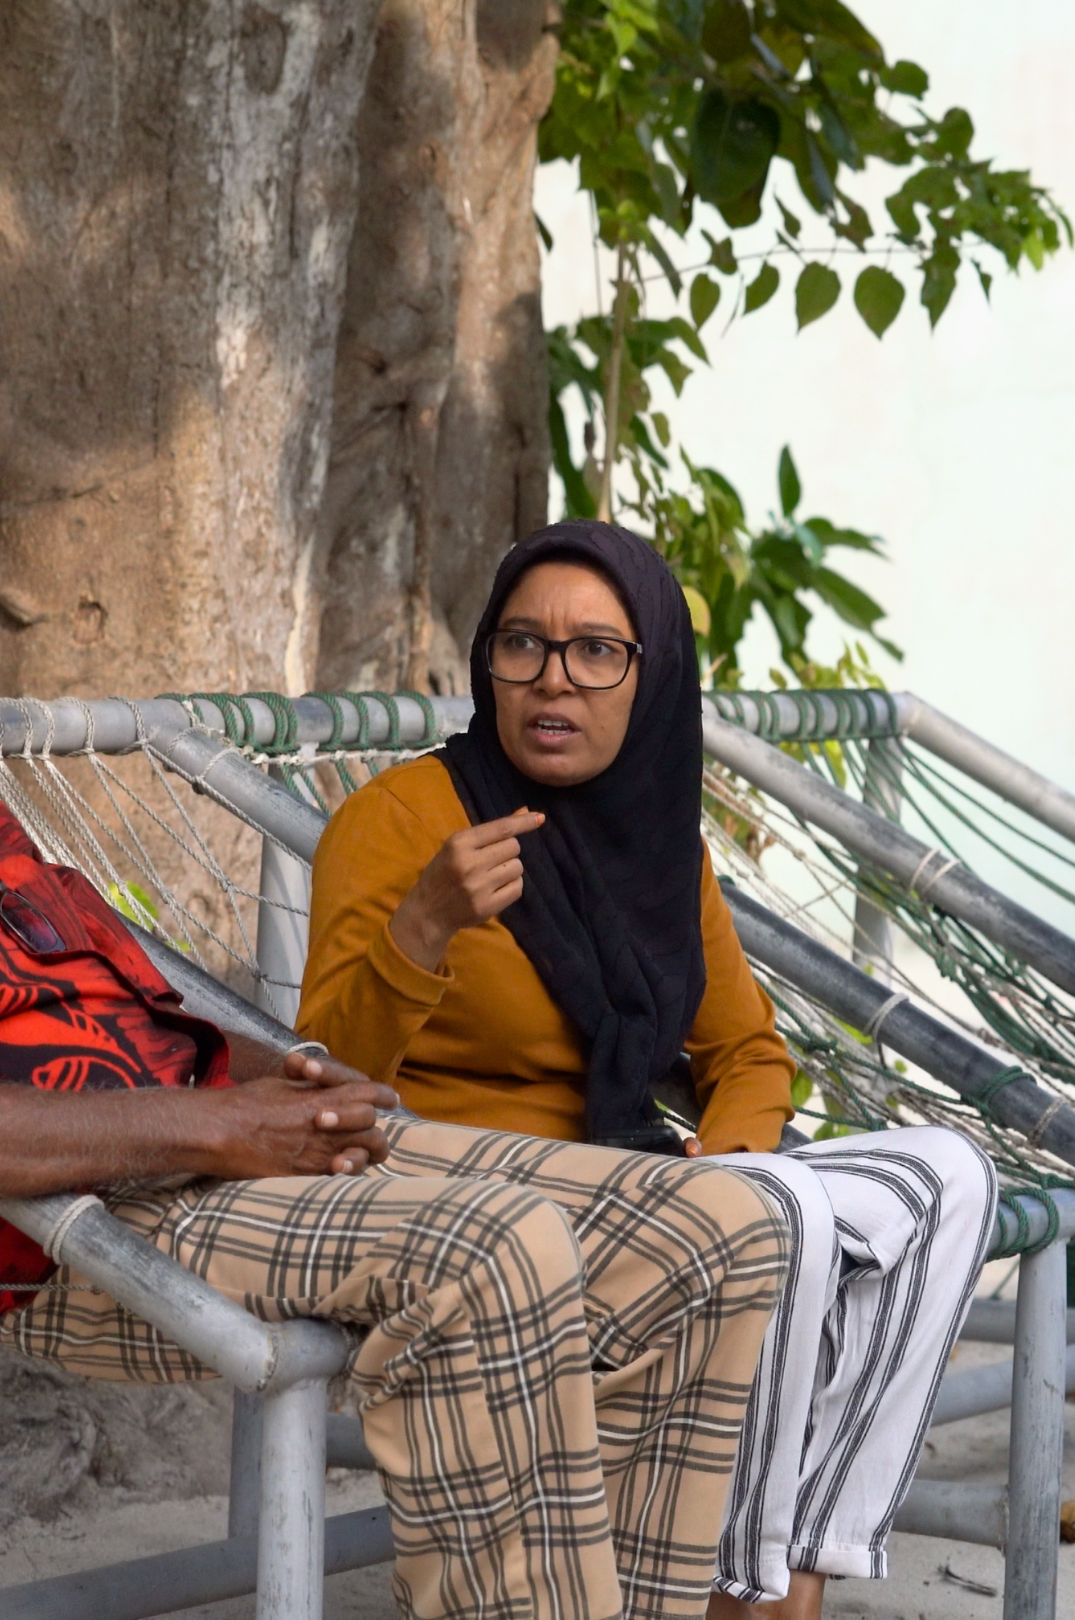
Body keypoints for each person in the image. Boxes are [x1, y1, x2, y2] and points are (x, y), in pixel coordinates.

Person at [0, 450, 789, 1620]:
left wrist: (290, 1080)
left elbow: (147, 1019)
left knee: (730, 1225)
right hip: (78, 1228)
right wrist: (223, 1123)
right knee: (490, 1253)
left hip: (209, 1158)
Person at [297, 519, 997, 1620]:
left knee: (947, 1177)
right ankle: (745, 1586)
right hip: (474, 1197)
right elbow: (329, 1077)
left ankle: (795, 1562)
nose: (551, 680)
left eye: (596, 651)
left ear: (651, 674)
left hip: (647, 1179)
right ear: (488, 661)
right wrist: (422, 927)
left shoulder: (664, 846)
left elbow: (749, 1053)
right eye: (521, 646)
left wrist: (728, 1159)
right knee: (781, 1220)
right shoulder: (400, 825)